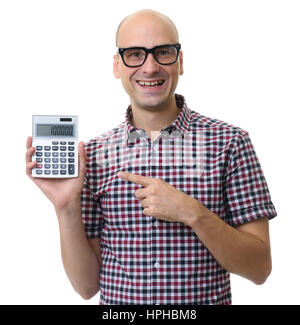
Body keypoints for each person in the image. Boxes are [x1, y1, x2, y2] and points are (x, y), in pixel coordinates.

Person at [25, 9, 277, 305]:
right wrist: (66, 207)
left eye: (163, 52)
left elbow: (260, 268)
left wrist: (192, 213)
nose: (150, 67)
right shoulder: (92, 156)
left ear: (180, 62)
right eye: (135, 54)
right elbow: (86, 287)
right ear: (117, 65)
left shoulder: (231, 143)